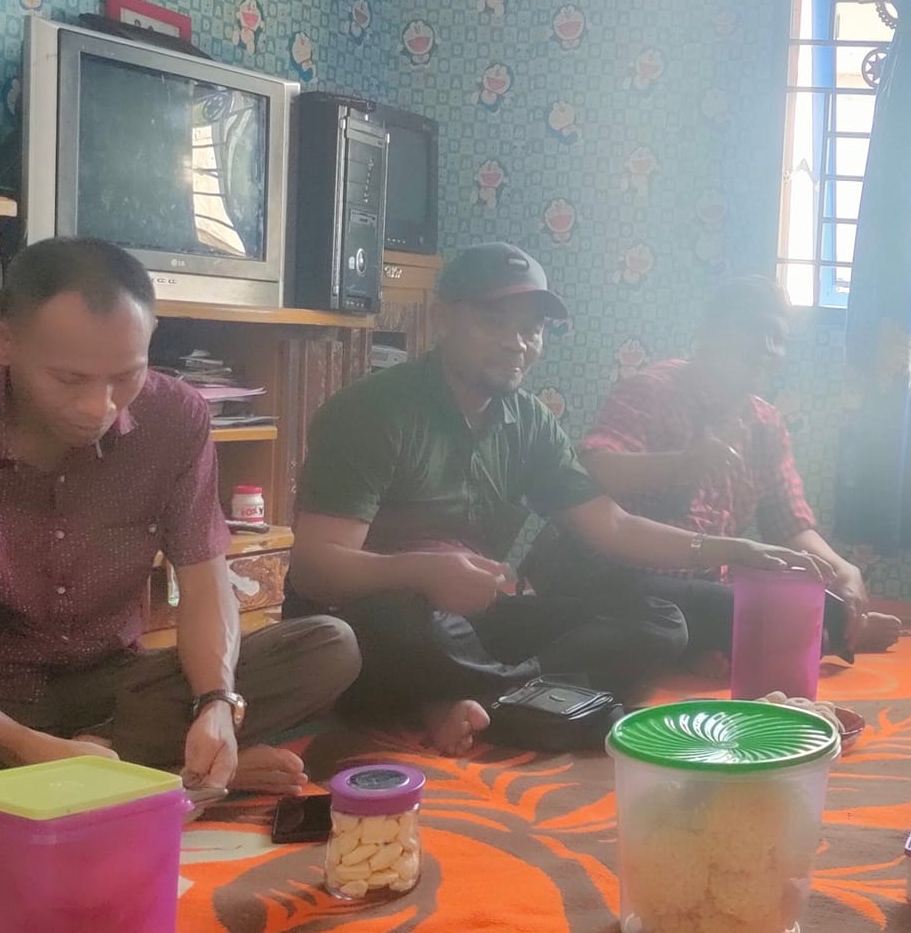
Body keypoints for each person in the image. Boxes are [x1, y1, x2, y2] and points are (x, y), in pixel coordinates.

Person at [0, 239, 361, 849]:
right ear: (0, 342)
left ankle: (68, 791)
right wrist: (17, 742)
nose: (98, 406)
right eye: (69, 379)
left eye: (126, 377)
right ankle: (152, 782)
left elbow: (204, 581)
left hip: (114, 690)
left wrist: (216, 705)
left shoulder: (176, 418)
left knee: (329, 646)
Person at [284, 245, 814, 757]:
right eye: (494, 319)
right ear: (441, 317)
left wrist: (734, 549)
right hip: (384, 619)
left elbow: (613, 526)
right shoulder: (374, 411)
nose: (517, 342)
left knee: (659, 623)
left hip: (473, 620)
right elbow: (314, 569)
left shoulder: (529, 420)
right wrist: (423, 572)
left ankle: (480, 697)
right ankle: (536, 704)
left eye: (531, 328)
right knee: (394, 628)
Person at [522, 275, 900, 659]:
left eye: (778, 338)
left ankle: (754, 638)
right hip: (617, 572)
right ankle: (821, 635)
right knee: (761, 617)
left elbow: (789, 524)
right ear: (710, 333)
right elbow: (592, 468)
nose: (766, 348)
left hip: (700, 584)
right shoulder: (653, 390)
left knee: (797, 603)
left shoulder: (765, 424)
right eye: (753, 330)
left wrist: (842, 569)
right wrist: (682, 465)